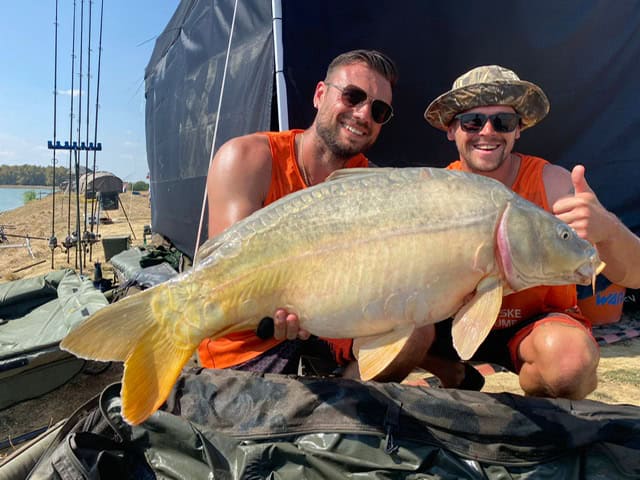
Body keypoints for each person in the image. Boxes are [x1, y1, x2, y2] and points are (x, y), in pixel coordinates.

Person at [421, 65, 640, 399]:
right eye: (473, 121)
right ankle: (451, 371)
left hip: (533, 325)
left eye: (503, 122)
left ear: (518, 129)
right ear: (452, 129)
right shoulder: (433, 191)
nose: (488, 131)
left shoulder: (553, 183)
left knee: (569, 365)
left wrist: (607, 229)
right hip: (450, 323)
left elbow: (635, 275)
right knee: (381, 336)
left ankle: (536, 434)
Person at [197, 49, 416, 376]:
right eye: (353, 96)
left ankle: (341, 407)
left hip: (330, 318)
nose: (363, 114)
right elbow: (232, 284)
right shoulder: (247, 158)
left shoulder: (371, 182)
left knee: (414, 333)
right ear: (319, 95)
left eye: (379, 110)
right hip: (250, 338)